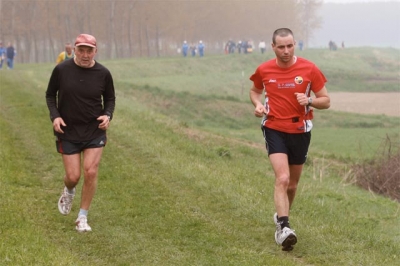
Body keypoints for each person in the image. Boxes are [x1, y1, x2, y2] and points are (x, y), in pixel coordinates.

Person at [249, 28, 330, 251]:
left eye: (290, 46)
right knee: (282, 178)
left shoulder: (309, 68)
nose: (286, 51)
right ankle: (284, 228)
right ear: (273, 47)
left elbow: (326, 100)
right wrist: (257, 104)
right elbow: (254, 91)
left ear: (295, 45)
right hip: (274, 127)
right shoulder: (264, 69)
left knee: (292, 186)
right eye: (281, 47)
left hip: (300, 130)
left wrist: (310, 101)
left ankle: (281, 217)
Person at [45, 33, 116, 232]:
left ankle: (82, 217)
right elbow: (50, 94)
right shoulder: (61, 70)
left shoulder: (103, 73)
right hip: (68, 129)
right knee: (73, 176)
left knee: (91, 171)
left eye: (89, 51)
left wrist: (107, 115)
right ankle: (69, 190)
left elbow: (110, 99)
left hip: (94, 130)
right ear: (74, 50)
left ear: (95, 51)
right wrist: (55, 116)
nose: (85, 55)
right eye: (81, 50)